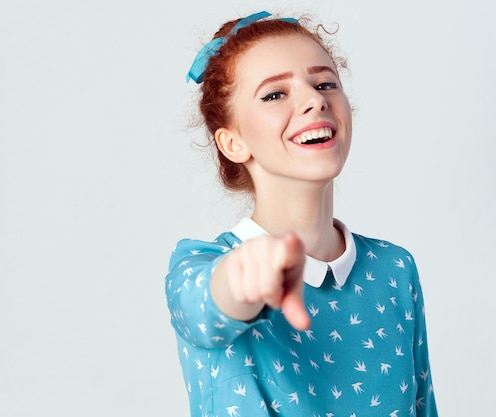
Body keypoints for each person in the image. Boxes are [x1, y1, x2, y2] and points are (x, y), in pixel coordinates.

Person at [166, 10, 438, 417]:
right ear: (233, 142)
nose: (315, 100)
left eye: (325, 83)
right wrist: (243, 277)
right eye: (275, 94)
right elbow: (204, 308)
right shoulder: (200, 266)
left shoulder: (395, 268)